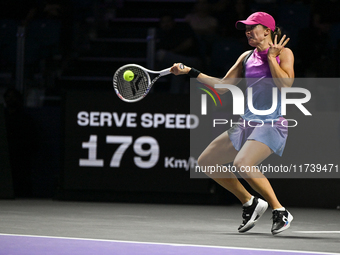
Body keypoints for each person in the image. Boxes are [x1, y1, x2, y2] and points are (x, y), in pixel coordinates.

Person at [170, 12, 294, 235]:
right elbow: (223, 85)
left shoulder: (284, 53)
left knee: (242, 164)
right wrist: (190, 71)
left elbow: (286, 85)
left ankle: (280, 210)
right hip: (247, 123)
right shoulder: (246, 56)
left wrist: (271, 58)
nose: (247, 32)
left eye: (252, 27)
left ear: (267, 30)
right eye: (245, 28)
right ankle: (250, 202)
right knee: (207, 161)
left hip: (272, 122)